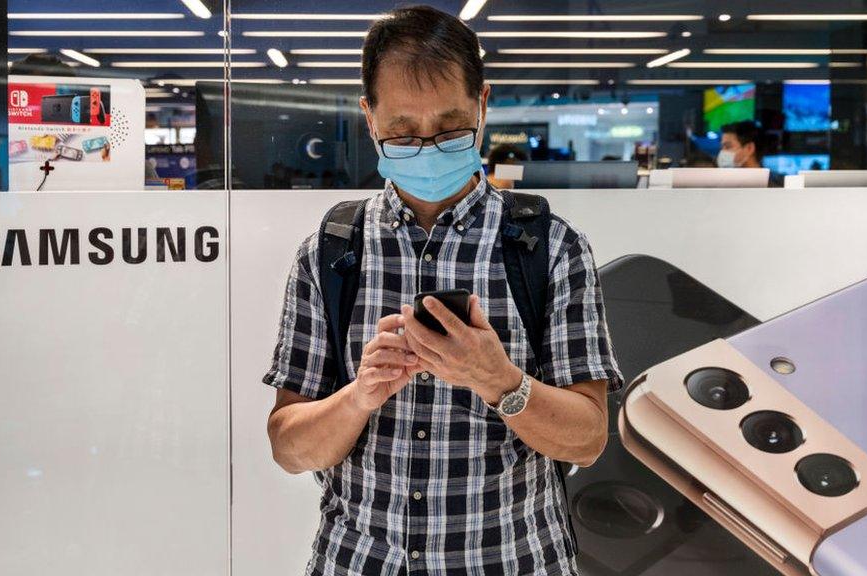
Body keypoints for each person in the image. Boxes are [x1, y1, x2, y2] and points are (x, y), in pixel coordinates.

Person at [263, 5, 623, 575]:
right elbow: (288, 446)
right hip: (360, 561)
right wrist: (359, 395)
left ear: (482, 107)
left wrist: (499, 380)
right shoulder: (330, 253)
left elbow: (587, 439)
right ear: (370, 118)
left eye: (450, 127)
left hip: (515, 560)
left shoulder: (549, 247)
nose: (428, 146)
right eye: (404, 130)